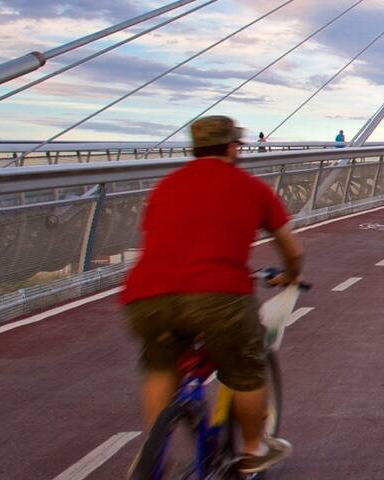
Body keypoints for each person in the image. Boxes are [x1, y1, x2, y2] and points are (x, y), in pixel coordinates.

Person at [121, 116, 301, 474]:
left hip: (146, 296)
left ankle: (153, 456)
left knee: (161, 366)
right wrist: (291, 276)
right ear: (233, 147)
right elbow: (291, 249)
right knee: (246, 371)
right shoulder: (250, 187)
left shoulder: (165, 186)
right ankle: (253, 449)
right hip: (218, 295)